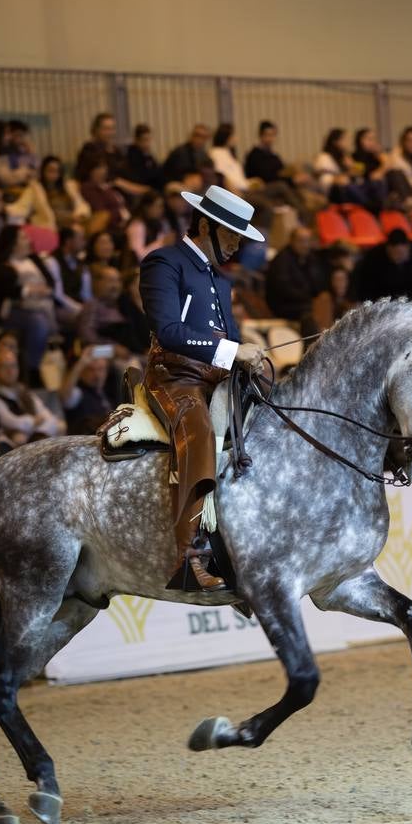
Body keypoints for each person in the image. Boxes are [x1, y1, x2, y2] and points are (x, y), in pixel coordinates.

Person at [139, 184, 264, 592]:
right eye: (231, 236)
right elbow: (170, 331)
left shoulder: (221, 282)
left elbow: (230, 340)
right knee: (199, 429)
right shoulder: (164, 262)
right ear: (207, 225)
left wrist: (251, 359)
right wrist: (232, 351)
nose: (235, 247)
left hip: (214, 377)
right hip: (174, 376)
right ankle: (188, 554)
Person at [0, 225, 57, 374]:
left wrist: (44, 290)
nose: (28, 240)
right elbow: (2, 289)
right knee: (38, 323)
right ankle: (30, 369)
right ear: (12, 243)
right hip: (13, 309)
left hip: (41, 305)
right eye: (23, 237)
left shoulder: (34, 260)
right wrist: (28, 290)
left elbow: (50, 282)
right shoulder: (1, 265)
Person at [0, 347, 65, 439]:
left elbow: (47, 415)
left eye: (13, 366)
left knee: (58, 425)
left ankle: (39, 438)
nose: (10, 371)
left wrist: (38, 425)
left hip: (34, 434)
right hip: (16, 441)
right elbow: (13, 423)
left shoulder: (24, 392)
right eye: (4, 366)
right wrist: (34, 421)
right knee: (20, 437)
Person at [77, 265, 150, 360]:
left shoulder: (121, 305)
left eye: (118, 281)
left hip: (125, 353)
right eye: (110, 281)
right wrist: (113, 347)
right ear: (98, 283)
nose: (115, 285)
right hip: (100, 352)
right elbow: (86, 336)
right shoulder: (92, 305)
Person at [265, 226, 327, 334]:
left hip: (304, 302)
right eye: (301, 241)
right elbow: (283, 289)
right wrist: (309, 299)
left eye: (308, 241)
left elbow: (318, 283)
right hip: (284, 305)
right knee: (309, 313)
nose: (305, 245)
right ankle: (311, 345)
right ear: (291, 241)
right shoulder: (282, 260)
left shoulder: (310, 259)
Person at [355, 227, 412, 303]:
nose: (398, 257)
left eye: (401, 253)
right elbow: (365, 283)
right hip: (382, 299)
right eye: (395, 253)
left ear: (408, 248)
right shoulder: (374, 256)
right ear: (388, 249)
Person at [75, 113, 146, 200]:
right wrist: (137, 189)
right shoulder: (90, 150)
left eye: (112, 128)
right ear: (96, 130)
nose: (110, 133)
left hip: (125, 192)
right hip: (103, 194)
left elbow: (128, 173)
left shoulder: (116, 151)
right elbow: (111, 179)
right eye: (106, 129)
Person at [8, 155, 90, 230]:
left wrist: (80, 215)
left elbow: (81, 204)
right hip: (51, 226)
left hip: (73, 223)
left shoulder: (69, 187)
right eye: (51, 170)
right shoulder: (35, 189)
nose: (54, 174)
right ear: (43, 171)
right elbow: (21, 207)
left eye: (57, 171)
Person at [59, 346, 117, 434]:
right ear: (82, 373)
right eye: (91, 370)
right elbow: (65, 397)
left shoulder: (108, 392)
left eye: (100, 369)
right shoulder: (78, 393)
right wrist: (81, 364)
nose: (97, 375)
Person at [44, 226, 92, 322]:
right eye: (81, 239)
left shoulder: (82, 265)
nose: (84, 242)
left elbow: (86, 294)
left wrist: (89, 308)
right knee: (86, 319)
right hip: (58, 308)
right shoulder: (52, 261)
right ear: (68, 241)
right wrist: (80, 309)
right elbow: (57, 294)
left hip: (79, 306)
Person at [79, 157, 129, 234]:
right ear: (90, 170)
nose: (102, 171)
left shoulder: (106, 186)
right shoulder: (88, 187)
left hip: (120, 222)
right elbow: (100, 210)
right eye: (98, 168)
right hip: (108, 227)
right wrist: (120, 215)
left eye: (104, 167)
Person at [125, 190, 175, 264]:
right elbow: (138, 257)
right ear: (147, 207)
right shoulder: (137, 225)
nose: (161, 210)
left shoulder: (159, 223)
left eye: (162, 207)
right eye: (158, 206)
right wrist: (162, 243)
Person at [124, 124, 163, 191]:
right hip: (141, 188)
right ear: (137, 140)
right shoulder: (132, 155)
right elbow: (141, 176)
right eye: (144, 140)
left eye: (149, 139)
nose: (147, 143)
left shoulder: (147, 154)